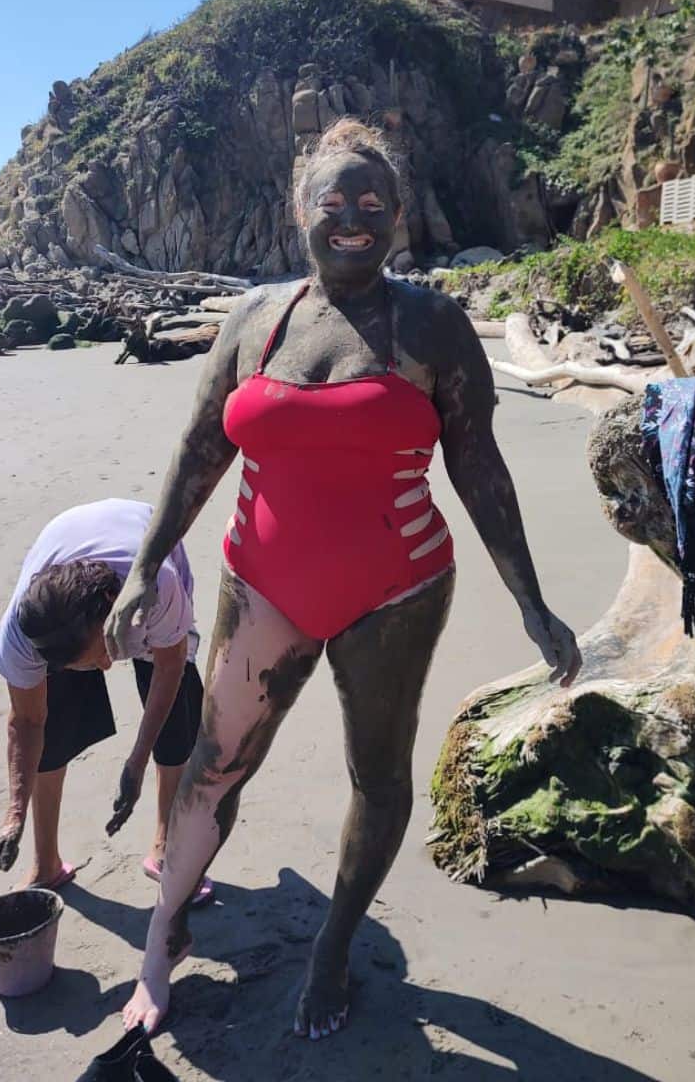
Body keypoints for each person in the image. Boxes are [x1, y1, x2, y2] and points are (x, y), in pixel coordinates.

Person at [106, 119, 581, 1040]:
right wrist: (142, 568)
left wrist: (531, 600)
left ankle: (333, 945)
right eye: (334, 204)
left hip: (395, 593)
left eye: (374, 204)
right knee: (216, 766)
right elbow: (199, 452)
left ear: (399, 216)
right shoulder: (253, 321)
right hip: (263, 586)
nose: (354, 219)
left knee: (377, 772)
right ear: (301, 214)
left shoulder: (435, 325)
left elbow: (479, 469)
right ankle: (161, 944)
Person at [0, 498, 213, 904]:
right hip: (66, 563)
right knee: (50, 733)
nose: (108, 667)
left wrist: (137, 760)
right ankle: (45, 862)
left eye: (106, 652)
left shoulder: (158, 588)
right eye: (93, 662)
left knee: (176, 721)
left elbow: (169, 669)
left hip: (141, 552)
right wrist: (14, 813)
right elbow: (26, 723)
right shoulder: (21, 639)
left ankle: (167, 845)